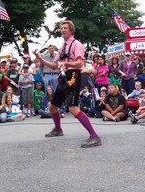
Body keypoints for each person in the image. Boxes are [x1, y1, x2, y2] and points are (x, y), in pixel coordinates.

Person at [33, 19, 102, 148]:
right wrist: (40, 58)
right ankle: (58, 129)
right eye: (61, 28)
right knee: (53, 107)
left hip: (74, 76)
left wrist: (66, 63)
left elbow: (80, 63)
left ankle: (95, 136)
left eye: (65, 28)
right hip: (64, 77)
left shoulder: (77, 44)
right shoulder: (62, 47)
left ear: (71, 30)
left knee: (73, 108)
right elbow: (54, 66)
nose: (62, 30)